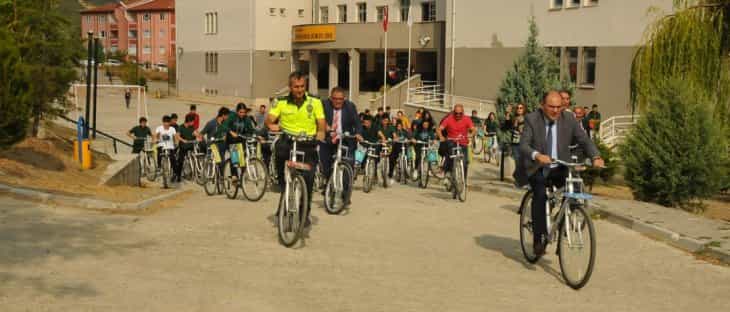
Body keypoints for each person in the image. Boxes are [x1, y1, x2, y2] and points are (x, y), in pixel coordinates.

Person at [516, 91, 603, 256]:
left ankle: (562, 227)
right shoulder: (532, 119)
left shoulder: (568, 119)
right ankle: (538, 238)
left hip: (560, 165)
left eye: (558, 107)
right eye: (551, 107)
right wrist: (537, 155)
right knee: (540, 194)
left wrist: (595, 156)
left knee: (572, 192)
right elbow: (524, 145)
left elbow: (584, 139)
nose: (555, 110)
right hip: (538, 167)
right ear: (543, 106)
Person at [266, 71, 326, 227]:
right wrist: (273, 125)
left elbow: (321, 124)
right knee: (283, 171)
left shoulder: (315, 102)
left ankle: (304, 212)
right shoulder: (280, 102)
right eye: (296, 87)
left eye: (302, 86)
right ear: (290, 87)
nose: (299, 90)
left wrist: (319, 136)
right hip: (287, 141)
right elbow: (269, 120)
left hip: (307, 143)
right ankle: (284, 192)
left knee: (308, 178)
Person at [320, 86, 363, 186]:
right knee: (326, 167)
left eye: (340, 99)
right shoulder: (324, 104)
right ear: (330, 98)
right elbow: (318, 118)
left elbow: (357, 123)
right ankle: (328, 186)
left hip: (346, 140)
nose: (338, 101)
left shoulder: (350, 106)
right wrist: (324, 125)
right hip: (328, 139)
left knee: (348, 165)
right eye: (335, 99)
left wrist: (358, 133)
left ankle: (345, 194)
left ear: (344, 99)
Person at [437, 104, 476, 180]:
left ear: (463, 112)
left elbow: (473, 129)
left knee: (465, 163)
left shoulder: (467, 119)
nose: (458, 115)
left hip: (463, 142)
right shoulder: (449, 119)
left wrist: (471, 134)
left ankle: (463, 181)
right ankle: (446, 171)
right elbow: (439, 129)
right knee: (450, 155)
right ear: (453, 112)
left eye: (460, 113)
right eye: (456, 113)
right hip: (451, 141)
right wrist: (441, 137)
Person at [225, 103, 256, 182]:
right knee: (235, 156)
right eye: (240, 112)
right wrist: (231, 132)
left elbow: (251, 130)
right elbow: (225, 126)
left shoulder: (247, 118)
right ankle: (234, 175)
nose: (242, 114)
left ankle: (243, 175)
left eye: (244, 112)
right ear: (237, 111)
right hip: (231, 139)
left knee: (243, 157)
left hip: (241, 138)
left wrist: (256, 135)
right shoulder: (232, 116)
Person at [175, 114, 202, 182]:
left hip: (191, 146)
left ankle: (198, 172)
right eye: (192, 121)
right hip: (183, 147)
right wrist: (183, 140)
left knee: (197, 156)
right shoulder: (181, 127)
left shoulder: (192, 127)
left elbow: (195, 133)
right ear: (189, 121)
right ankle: (178, 175)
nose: (193, 123)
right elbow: (177, 136)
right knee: (180, 161)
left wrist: (199, 137)